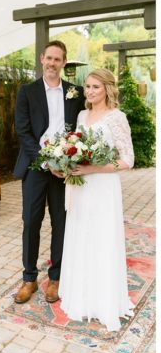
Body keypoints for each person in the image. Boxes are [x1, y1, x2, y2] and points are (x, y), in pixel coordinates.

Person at [58, 68, 134, 331]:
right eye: (87, 86)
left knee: (100, 237)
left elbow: (127, 159)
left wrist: (93, 169)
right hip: (80, 187)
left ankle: (103, 301)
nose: (89, 92)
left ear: (107, 90)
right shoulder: (81, 114)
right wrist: (67, 162)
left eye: (95, 87)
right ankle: (81, 295)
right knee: (81, 235)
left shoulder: (117, 118)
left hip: (102, 186)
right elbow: (76, 148)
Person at [12, 40, 84, 304]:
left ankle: (55, 278)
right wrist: (45, 162)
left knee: (60, 222)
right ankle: (29, 278)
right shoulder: (27, 91)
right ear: (42, 59)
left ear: (64, 63)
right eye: (49, 58)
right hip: (36, 166)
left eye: (58, 59)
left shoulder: (75, 92)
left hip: (64, 170)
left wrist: (66, 160)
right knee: (31, 221)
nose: (53, 63)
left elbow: (80, 128)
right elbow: (23, 131)